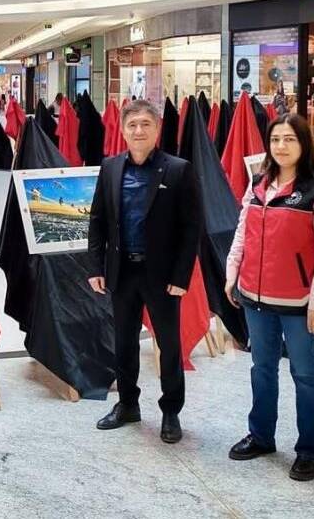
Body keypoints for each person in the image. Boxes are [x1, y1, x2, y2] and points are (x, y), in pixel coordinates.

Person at [224, 113, 314, 482]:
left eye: (290, 138)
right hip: (255, 297)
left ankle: (309, 450)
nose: (281, 146)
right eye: (275, 139)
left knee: (304, 374)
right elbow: (242, 232)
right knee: (261, 368)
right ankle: (261, 436)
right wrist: (232, 272)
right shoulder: (259, 183)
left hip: (298, 303)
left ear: (304, 143)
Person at [88, 99, 202, 444]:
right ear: (123, 130)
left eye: (145, 124)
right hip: (122, 271)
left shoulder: (178, 170)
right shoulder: (110, 168)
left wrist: (181, 277)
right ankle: (127, 404)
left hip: (162, 276)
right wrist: (95, 266)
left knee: (169, 345)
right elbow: (98, 220)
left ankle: (171, 411)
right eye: (132, 125)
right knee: (124, 342)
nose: (139, 130)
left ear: (157, 129)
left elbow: (191, 228)